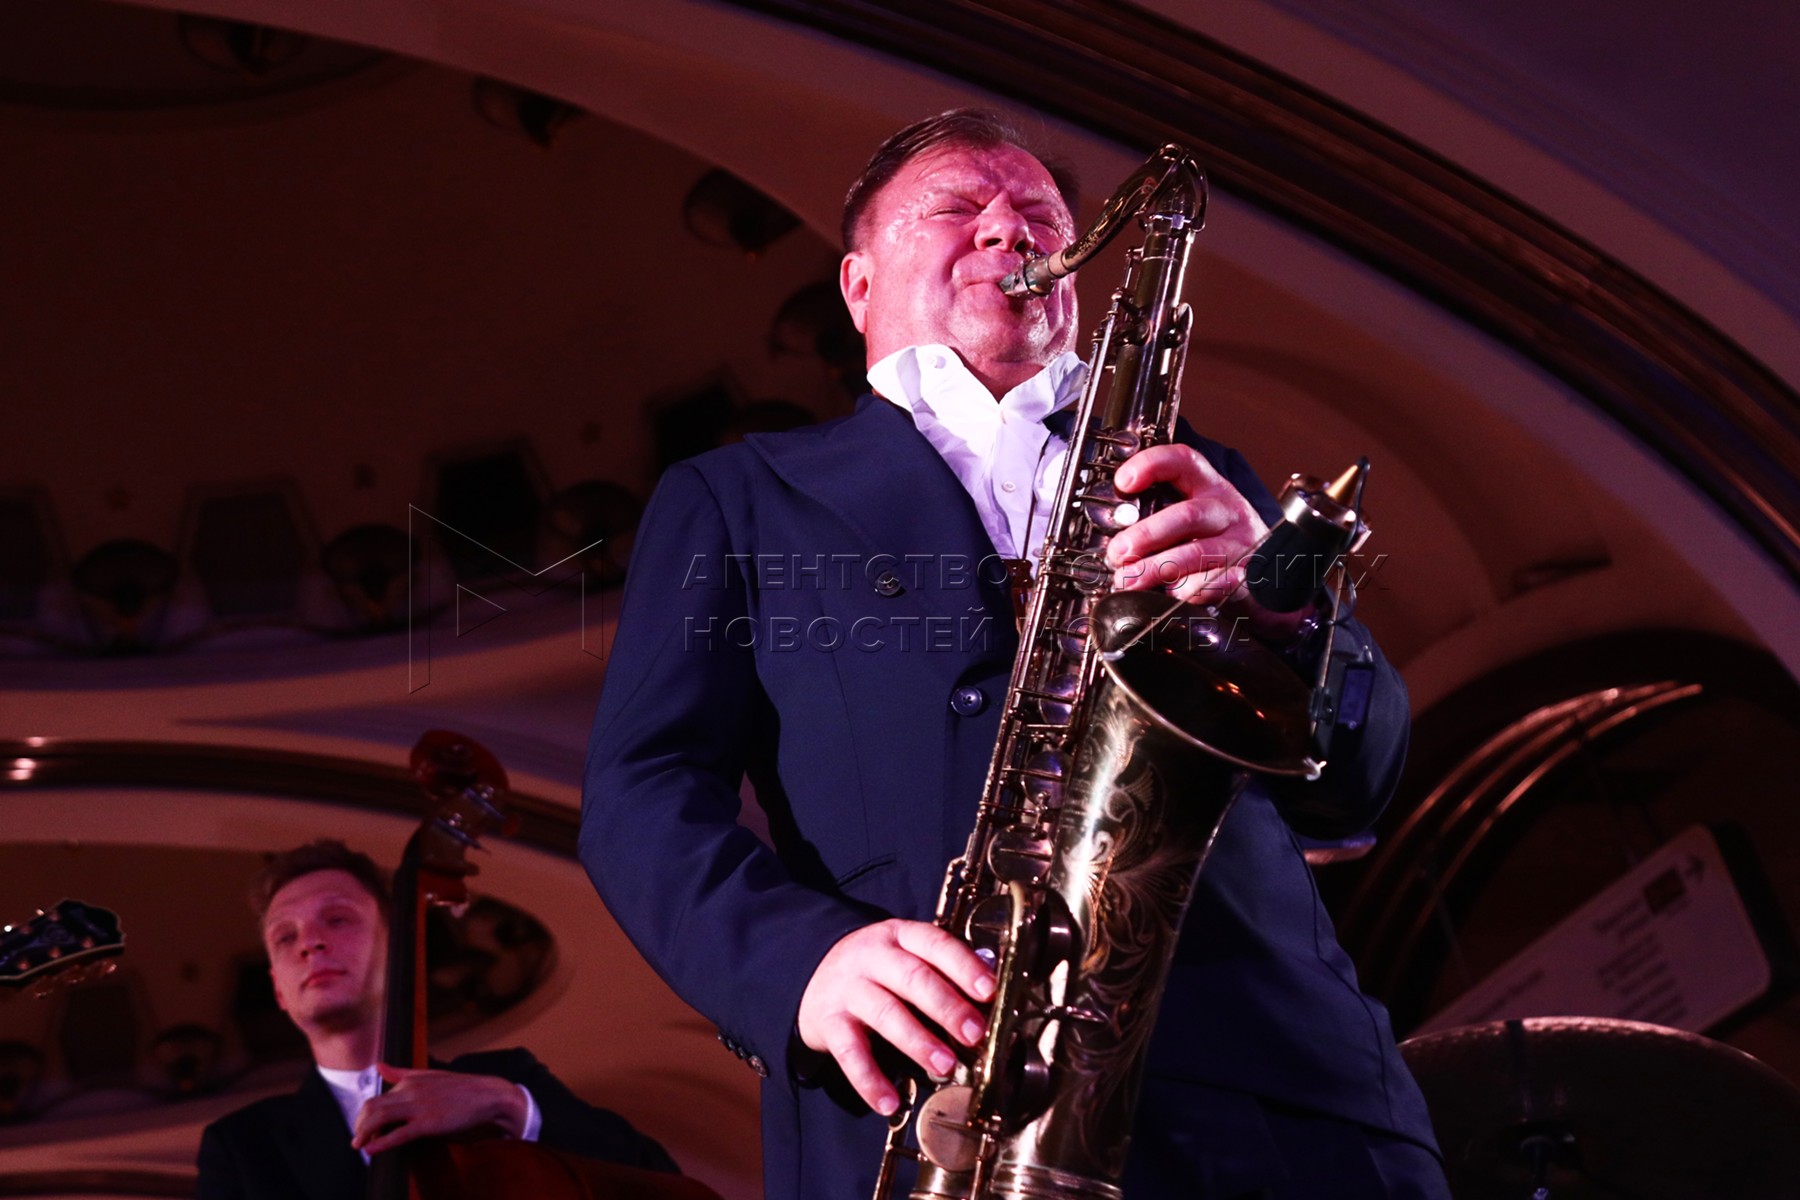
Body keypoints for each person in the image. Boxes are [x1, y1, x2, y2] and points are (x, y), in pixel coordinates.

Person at [582, 110, 1448, 1199]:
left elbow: (1356, 789)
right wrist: (798, 963)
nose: (1009, 230)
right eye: (955, 208)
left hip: (1280, 1097)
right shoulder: (739, 496)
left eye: (1039, 214)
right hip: (941, 1096)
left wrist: (1288, 613)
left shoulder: (1200, 472)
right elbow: (643, 788)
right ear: (857, 286)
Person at [196, 840, 678, 1200]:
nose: (310, 943)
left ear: (399, 950)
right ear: (278, 989)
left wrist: (510, 1105)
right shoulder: (241, 1146)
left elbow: (657, 1180)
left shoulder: (503, 1079)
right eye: (285, 937)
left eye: (338, 919)